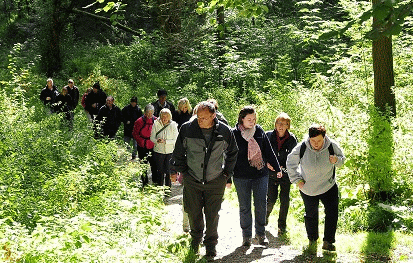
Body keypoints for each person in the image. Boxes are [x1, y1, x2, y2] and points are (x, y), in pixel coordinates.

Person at [170, 101, 238, 260]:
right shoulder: (187, 128)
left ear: (213, 116)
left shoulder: (224, 131)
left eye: (203, 118)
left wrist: (226, 174)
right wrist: (183, 172)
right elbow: (178, 152)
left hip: (215, 180)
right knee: (193, 212)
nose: (199, 120)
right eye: (198, 117)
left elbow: (233, 153)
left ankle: (211, 245)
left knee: (212, 214)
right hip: (192, 179)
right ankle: (195, 240)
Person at [286, 124, 345, 254]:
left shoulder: (331, 145)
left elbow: (342, 160)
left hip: (328, 185)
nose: (316, 144)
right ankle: (312, 240)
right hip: (308, 187)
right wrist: (297, 180)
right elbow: (290, 162)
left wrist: (336, 160)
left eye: (319, 140)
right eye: (313, 141)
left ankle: (328, 242)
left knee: (332, 213)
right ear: (309, 138)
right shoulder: (302, 147)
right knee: (311, 214)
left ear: (324, 137)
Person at [232, 106, 282, 247]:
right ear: (242, 119)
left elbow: (269, 150)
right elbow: (229, 156)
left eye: (254, 119)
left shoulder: (259, 131)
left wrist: (277, 167)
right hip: (241, 176)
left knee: (260, 205)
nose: (252, 122)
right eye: (249, 119)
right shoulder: (234, 134)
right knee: (245, 207)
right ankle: (246, 236)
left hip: (260, 175)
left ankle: (260, 234)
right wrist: (227, 176)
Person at [265, 113, 297, 236]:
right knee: (271, 199)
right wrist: (268, 163)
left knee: (284, 200)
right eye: (279, 123)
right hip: (271, 173)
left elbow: (295, 157)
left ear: (288, 125)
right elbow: (262, 152)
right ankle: (264, 218)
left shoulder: (292, 139)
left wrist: (285, 167)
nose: (281, 126)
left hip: (285, 174)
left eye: (284, 124)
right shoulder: (268, 136)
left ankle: (281, 226)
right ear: (275, 124)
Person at [150, 108, 178, 187]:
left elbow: (176, 140)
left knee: (168, 171)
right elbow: (151, 138)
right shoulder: (156, 124)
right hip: (159, 151)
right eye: (163, 117)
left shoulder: (173, 125)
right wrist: (157, 141)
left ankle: (168, 190)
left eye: (166, 116)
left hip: (170, 151)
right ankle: (159, 189)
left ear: (169, 117)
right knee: (160, 171)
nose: (164, 119)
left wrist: (166, 141)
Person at [132, 104, 157, 187]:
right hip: (142, 146)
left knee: (154, 164)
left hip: (153, 145)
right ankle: (144, 183)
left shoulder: (156, 120)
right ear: (145, 112)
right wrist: (142, 142)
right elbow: (135, 134)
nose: (150, 115)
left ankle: (155, 182)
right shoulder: (139, 121)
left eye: (151, 113)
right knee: (143, 164)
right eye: (148, 113)